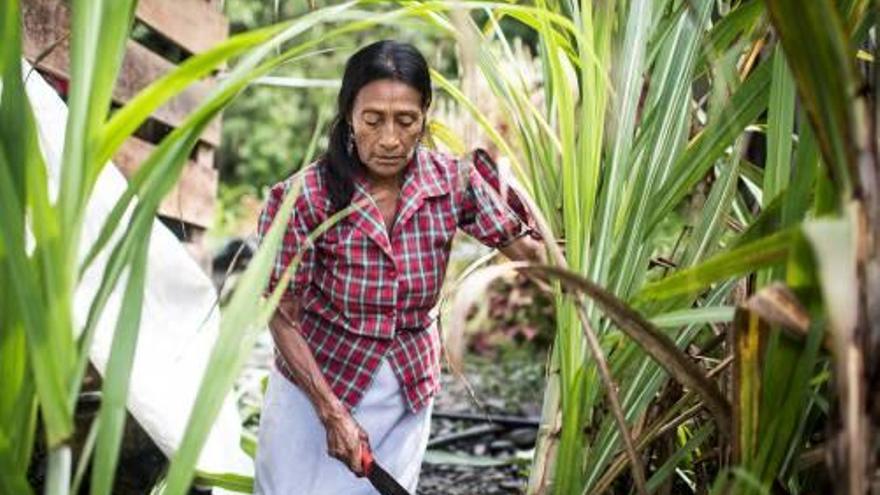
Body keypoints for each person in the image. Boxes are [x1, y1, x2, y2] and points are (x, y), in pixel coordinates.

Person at [253, 40, 545, 494]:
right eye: (373, 120)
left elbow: (533, 255)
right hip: (317, 387)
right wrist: (332, 413)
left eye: (406, 121)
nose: (390, 139)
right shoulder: (305, 197)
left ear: (425, 115)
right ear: (349, 115)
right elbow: (280, 312)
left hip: (405, 385)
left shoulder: (453, 183)